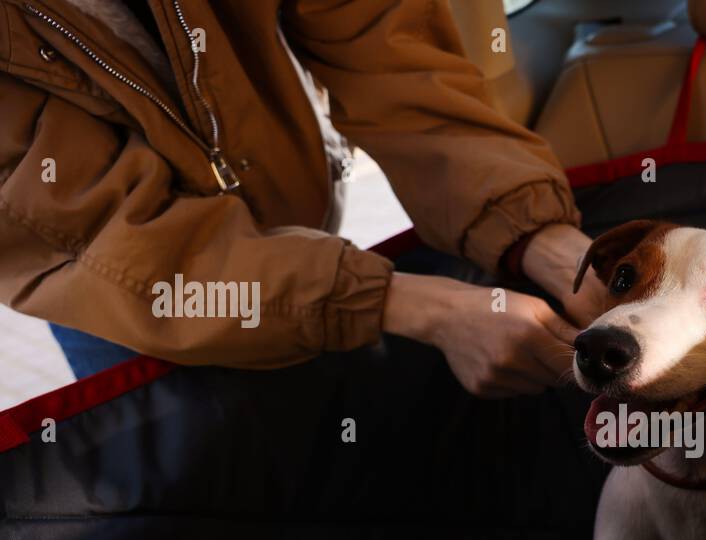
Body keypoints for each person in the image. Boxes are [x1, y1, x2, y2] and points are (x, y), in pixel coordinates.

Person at [0, 0, 603, 396]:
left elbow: (389, 55)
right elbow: (99, 239)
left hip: (307, 246)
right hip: (120, 295)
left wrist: (535, 234)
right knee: (197, 511)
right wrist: (421, 307)